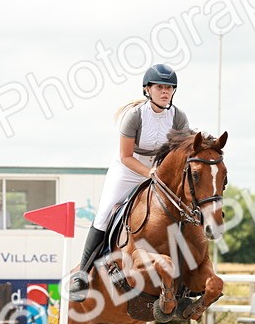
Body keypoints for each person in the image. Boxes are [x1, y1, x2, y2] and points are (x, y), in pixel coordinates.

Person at [68, 63, 190, 301]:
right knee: (105, 212)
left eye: (170, 88)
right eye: (160, 87)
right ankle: (81, 273)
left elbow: (183, 151)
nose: (165, 92)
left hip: (158, 170)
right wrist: (149, 173)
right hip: (128, 169)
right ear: (147, 90)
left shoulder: (178, 117)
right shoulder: (134, 116)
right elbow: (125, 157)